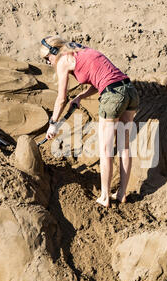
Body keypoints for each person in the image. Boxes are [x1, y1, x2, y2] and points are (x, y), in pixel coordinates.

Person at [39, 35, 139, 208]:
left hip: (113, 96)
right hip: (130, 91)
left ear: (54, 51)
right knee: (124, 146)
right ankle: (121, 193)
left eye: (47, 58)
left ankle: (105, 197)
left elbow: (61, 98)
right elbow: (101, 79)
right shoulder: (82, 51)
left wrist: (53, 124)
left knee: (106, 148)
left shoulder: (64, 60)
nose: (49, 62)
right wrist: (80, 96)